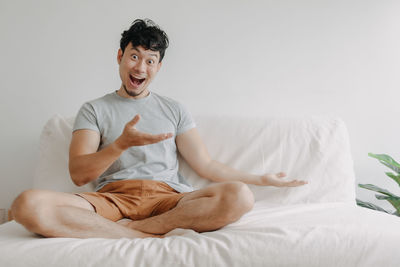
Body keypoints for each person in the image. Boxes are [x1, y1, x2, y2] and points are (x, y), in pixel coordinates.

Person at [11, 19, 307, 239]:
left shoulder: (174, 109)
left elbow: (206, 165)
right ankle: (135, 236)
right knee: (26, 205)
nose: (140, 67)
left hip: (167, 199)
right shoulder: (94, 109)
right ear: (120, 57)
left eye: (150, 60)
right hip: (111, 198)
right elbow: (78, 174)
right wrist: (121, 144)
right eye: (134, 56)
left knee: (240, 196)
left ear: (158, 67)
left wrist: (261, 178)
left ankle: (136, 231)